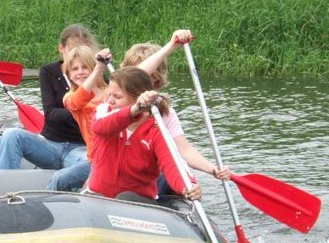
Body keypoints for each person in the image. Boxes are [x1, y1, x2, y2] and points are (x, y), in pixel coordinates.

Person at [121, 30, 230, 195]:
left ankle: (184, 194)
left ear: (156, 79)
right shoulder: (116, 102)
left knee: (173, 176)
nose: (137, 81)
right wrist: (172, 46)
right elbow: (132, 78)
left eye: (148, 75)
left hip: (155, 175)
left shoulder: (164, 111)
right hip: (123, 173)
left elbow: (183, 150)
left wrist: (213, 169)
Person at [90, 67, 202, 203]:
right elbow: (100, 127)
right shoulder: (103, 112)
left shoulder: (156, 131)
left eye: (117, 97)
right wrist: (133, 110)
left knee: (125, 197)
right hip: (100, 196)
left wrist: (188, 186)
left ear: (136, 98)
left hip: (139, 202)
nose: (110, 101)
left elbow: (172, 163)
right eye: (109, 94)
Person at [0, 24, 93, 173]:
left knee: (91, 165)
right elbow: (51, 114)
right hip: (50, 145)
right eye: (72, 49)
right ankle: (0, 186)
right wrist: (80, 110)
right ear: (61, 48)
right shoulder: (48, 72)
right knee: (11, 134)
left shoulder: (96, 79)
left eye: (82, 50)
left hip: (80, 149)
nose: (76, 54)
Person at [47, 46, 111, 191]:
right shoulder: (69, 97)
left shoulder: (111, 93)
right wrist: (99, 68)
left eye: (85, 67)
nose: (80, 72)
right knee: (59, 179)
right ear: (69, 74)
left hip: (113, 158)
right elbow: (78, 101)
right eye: (75, 69)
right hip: (94, 160)